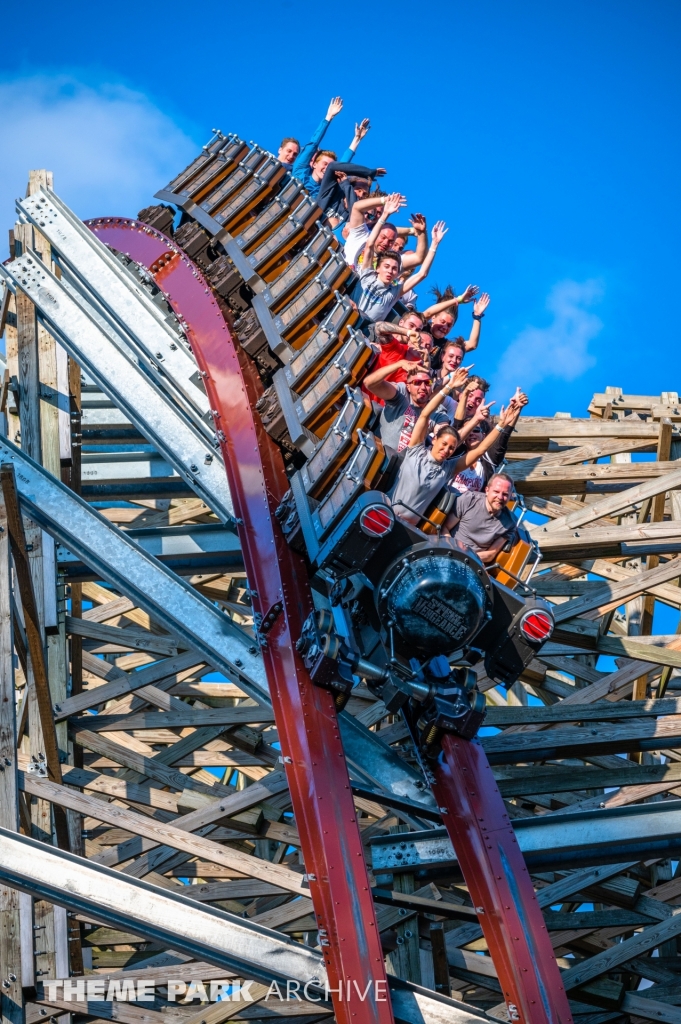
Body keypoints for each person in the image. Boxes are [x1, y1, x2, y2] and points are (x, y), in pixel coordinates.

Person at [389, 376, 509, 524]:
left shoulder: (447, 469)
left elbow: (480, 450)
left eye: (452, 448)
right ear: (434, 439)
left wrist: (501, 426)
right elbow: (425, 415)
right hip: (385, 512)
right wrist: (448, 387)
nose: (446, 450)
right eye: (444, 444)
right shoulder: (416, 450)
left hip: (407, 528)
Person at [356, 197, 447, 323]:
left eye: (394, 269)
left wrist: (434, 244)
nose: (390, 271)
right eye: (387, 266)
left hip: (365, 330)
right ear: (377, 268)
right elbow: (370, 244)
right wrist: (385, 214)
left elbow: (422, 274)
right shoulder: (367, 275)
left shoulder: (394, 293)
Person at [364, 362, 470, 452]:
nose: (423, 387)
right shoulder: (402, 393)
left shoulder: (438, 411)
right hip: (378, 452)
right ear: (408, 386)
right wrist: (399, 364)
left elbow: (446, 436)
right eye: (417, 383)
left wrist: (475, 417)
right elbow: (369, 383)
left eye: (427, 383)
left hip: (404, 465)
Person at [451, 389, 528, 493]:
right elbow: (456, 428)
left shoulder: (488, 459)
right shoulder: (455, 452)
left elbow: (504, 436)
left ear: (483, 435)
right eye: (469, 431)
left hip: (473, 503)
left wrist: (516, 408)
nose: (472, 433)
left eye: (476, 430)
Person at [448, 474, 518, 564]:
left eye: (505, 494)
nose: (500, 497)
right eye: (496, 491)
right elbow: (445, 529)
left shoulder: (510, 523)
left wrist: (466, 556)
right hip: (450, 549)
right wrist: (453, 550)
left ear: (510, 497)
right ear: (487, 490)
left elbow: (491, 554)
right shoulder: (469, 500)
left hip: (473, 562)